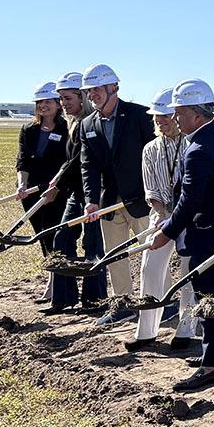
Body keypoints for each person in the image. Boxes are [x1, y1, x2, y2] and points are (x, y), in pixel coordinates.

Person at [147, 79, 214, 390]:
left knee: (209, 298)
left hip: (206, 233)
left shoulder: (198, 149)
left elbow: (190, 201)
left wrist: (167, 231)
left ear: (198, 115)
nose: (175, 119)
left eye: (180, 113)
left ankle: (212, 365)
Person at [78, 63, 156, 327]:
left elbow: (155, 154)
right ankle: (122, 304)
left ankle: (160, 304)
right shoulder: (87, 124)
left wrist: (155, 193)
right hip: (109, 203)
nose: (93, 95)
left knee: (153, 253)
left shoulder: (140, 115)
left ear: (114, 87)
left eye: (98, 88)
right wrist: (91, 201)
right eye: (89, 91)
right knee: (114, 255)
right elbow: (87, 165)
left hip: (142, 201)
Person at [126, 88, 196, 351]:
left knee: (188, 272)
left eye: (165, 116)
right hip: (160, 216)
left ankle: (186, 328)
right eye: (156, 117)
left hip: (190, 218)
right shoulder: (150, 149)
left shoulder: (192, 145)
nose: (160, 122)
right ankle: (146, 331)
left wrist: (179, 218)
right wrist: (166, 218)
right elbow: (151, 190)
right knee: (150, 269)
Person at [47, 71, 107, 315]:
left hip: (94, 195)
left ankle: (94, 302)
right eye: (60, 98)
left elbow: (79, 162)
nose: (63, 103)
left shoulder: (92, 122)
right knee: (61, 238)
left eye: (68, 98)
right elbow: (71, 160)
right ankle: (63, 299)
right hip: (76, 193)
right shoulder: (72, 123)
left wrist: (58, 182)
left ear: (82, 96)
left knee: (93, 245)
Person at [17, 81, 70, 307]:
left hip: (56, 192)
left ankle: (55, 284)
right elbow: (22, 160)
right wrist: (21, 185)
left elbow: (69, 161)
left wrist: (56, 186)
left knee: (53, 237)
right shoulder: (29, 130)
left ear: (58, 104)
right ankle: (52, 279)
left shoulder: (66, 128)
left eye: (47, 102)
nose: (43, 106)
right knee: (42, 237)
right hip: (32, 193)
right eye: (39, 102)